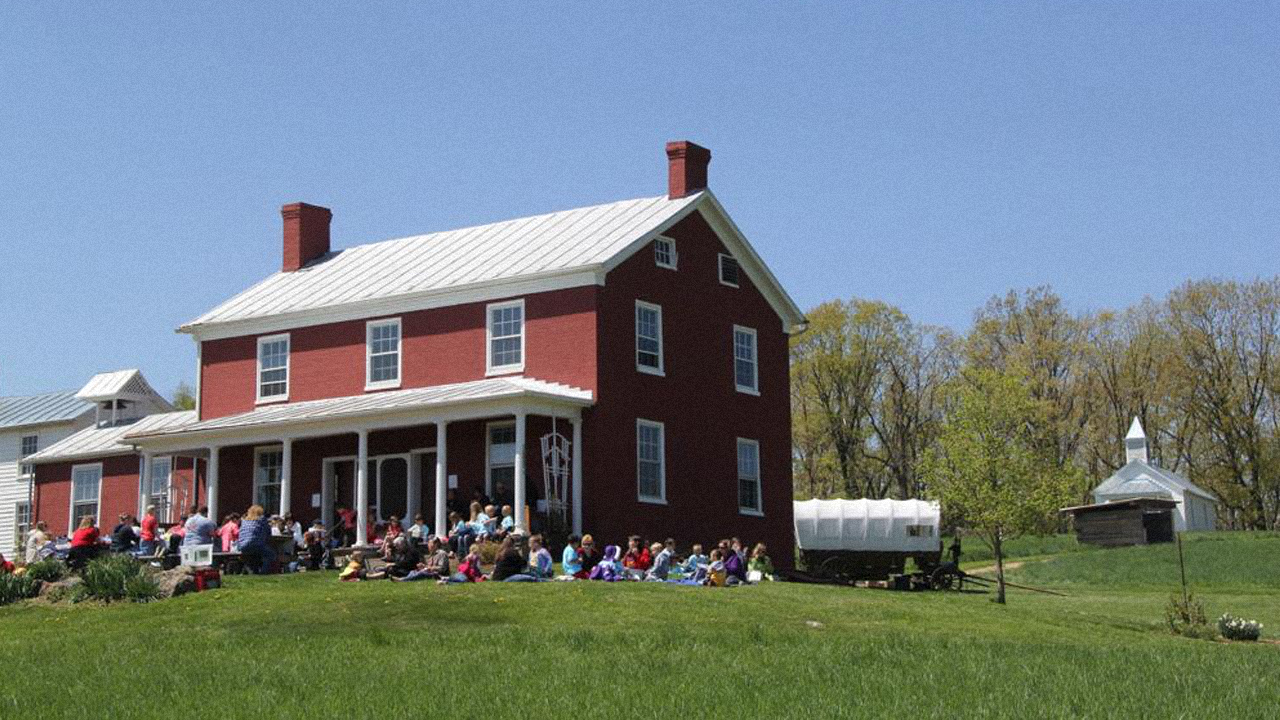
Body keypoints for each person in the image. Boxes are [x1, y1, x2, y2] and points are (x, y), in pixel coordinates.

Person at [237, 505, 276, 574]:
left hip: (242, 546)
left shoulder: (244, 521)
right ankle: (264, 572)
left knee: (253, 555)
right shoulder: (262, 520)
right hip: (255, 544)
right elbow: (268, 534)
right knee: (271, 554)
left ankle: (253, 571)